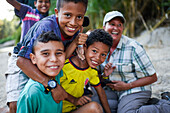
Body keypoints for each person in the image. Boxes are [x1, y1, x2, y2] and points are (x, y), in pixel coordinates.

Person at [6, 0, 89, 113]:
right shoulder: (45, 27)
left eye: (79, 17)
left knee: (47, 99)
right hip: (24, 60)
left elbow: (61, 57)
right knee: (16, 104)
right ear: (56, 12)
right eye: (68, 15)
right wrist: (52, 85)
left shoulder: (75, 30)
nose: (73, 22)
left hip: (49, 61)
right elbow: (21, 61)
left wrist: (75, 42)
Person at [92, 11, 170, 113]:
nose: (116, 28)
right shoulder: (99, 47)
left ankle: (166, 106)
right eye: (112, 24)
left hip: (135, 89)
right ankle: (152, 103)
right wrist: (104, 76)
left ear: (123, 28)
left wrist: (128, 86)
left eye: (119, 25)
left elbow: (153, 77)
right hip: (113, 91)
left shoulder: (133, 47)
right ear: (104, 27)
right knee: (96, 103)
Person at [17, 31, 102, 113]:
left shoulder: (57, 74)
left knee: (94, 107)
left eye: (58, 53)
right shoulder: (32, 93)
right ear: (33, 58)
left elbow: (62, 92)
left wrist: (74, 100)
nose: (54, 59)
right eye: (46, 54)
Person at [5, 0, 50, 112]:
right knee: (14, 102)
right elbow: (13, 2)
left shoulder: (50, 21)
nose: (44, 4)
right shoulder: (28, 11)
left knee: (35, 98)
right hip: (20, 58)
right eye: (41, 1)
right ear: (35, 3)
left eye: (47, 1)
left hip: (37, 61)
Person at [60, 29, 113, 113]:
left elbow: (101, 93)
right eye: (94, 51)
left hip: (74, 110)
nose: (97, 58)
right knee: (95, 107)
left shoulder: (92, 71)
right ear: (85, 47)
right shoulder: (65, 66)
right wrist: (74, 100)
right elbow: (54, 87)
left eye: (103, 55)